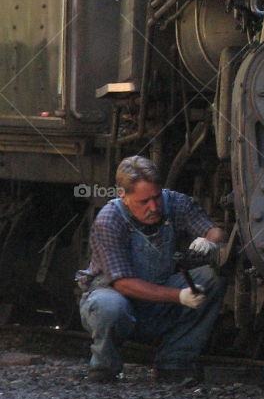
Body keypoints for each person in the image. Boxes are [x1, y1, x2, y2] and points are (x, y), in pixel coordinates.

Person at [77, 155, 226, 385]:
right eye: (144, 201)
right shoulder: (109, 219)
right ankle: (105, 367)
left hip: (159, 294)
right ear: (123, 196)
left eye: (156, 197)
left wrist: (209, 241)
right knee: (109, 307)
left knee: (211, 278)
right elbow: (123, 283)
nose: (154, 207)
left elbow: (215, 231)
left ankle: (174, 363)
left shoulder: (176, 203)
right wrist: (179, 296)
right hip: (117, 295)